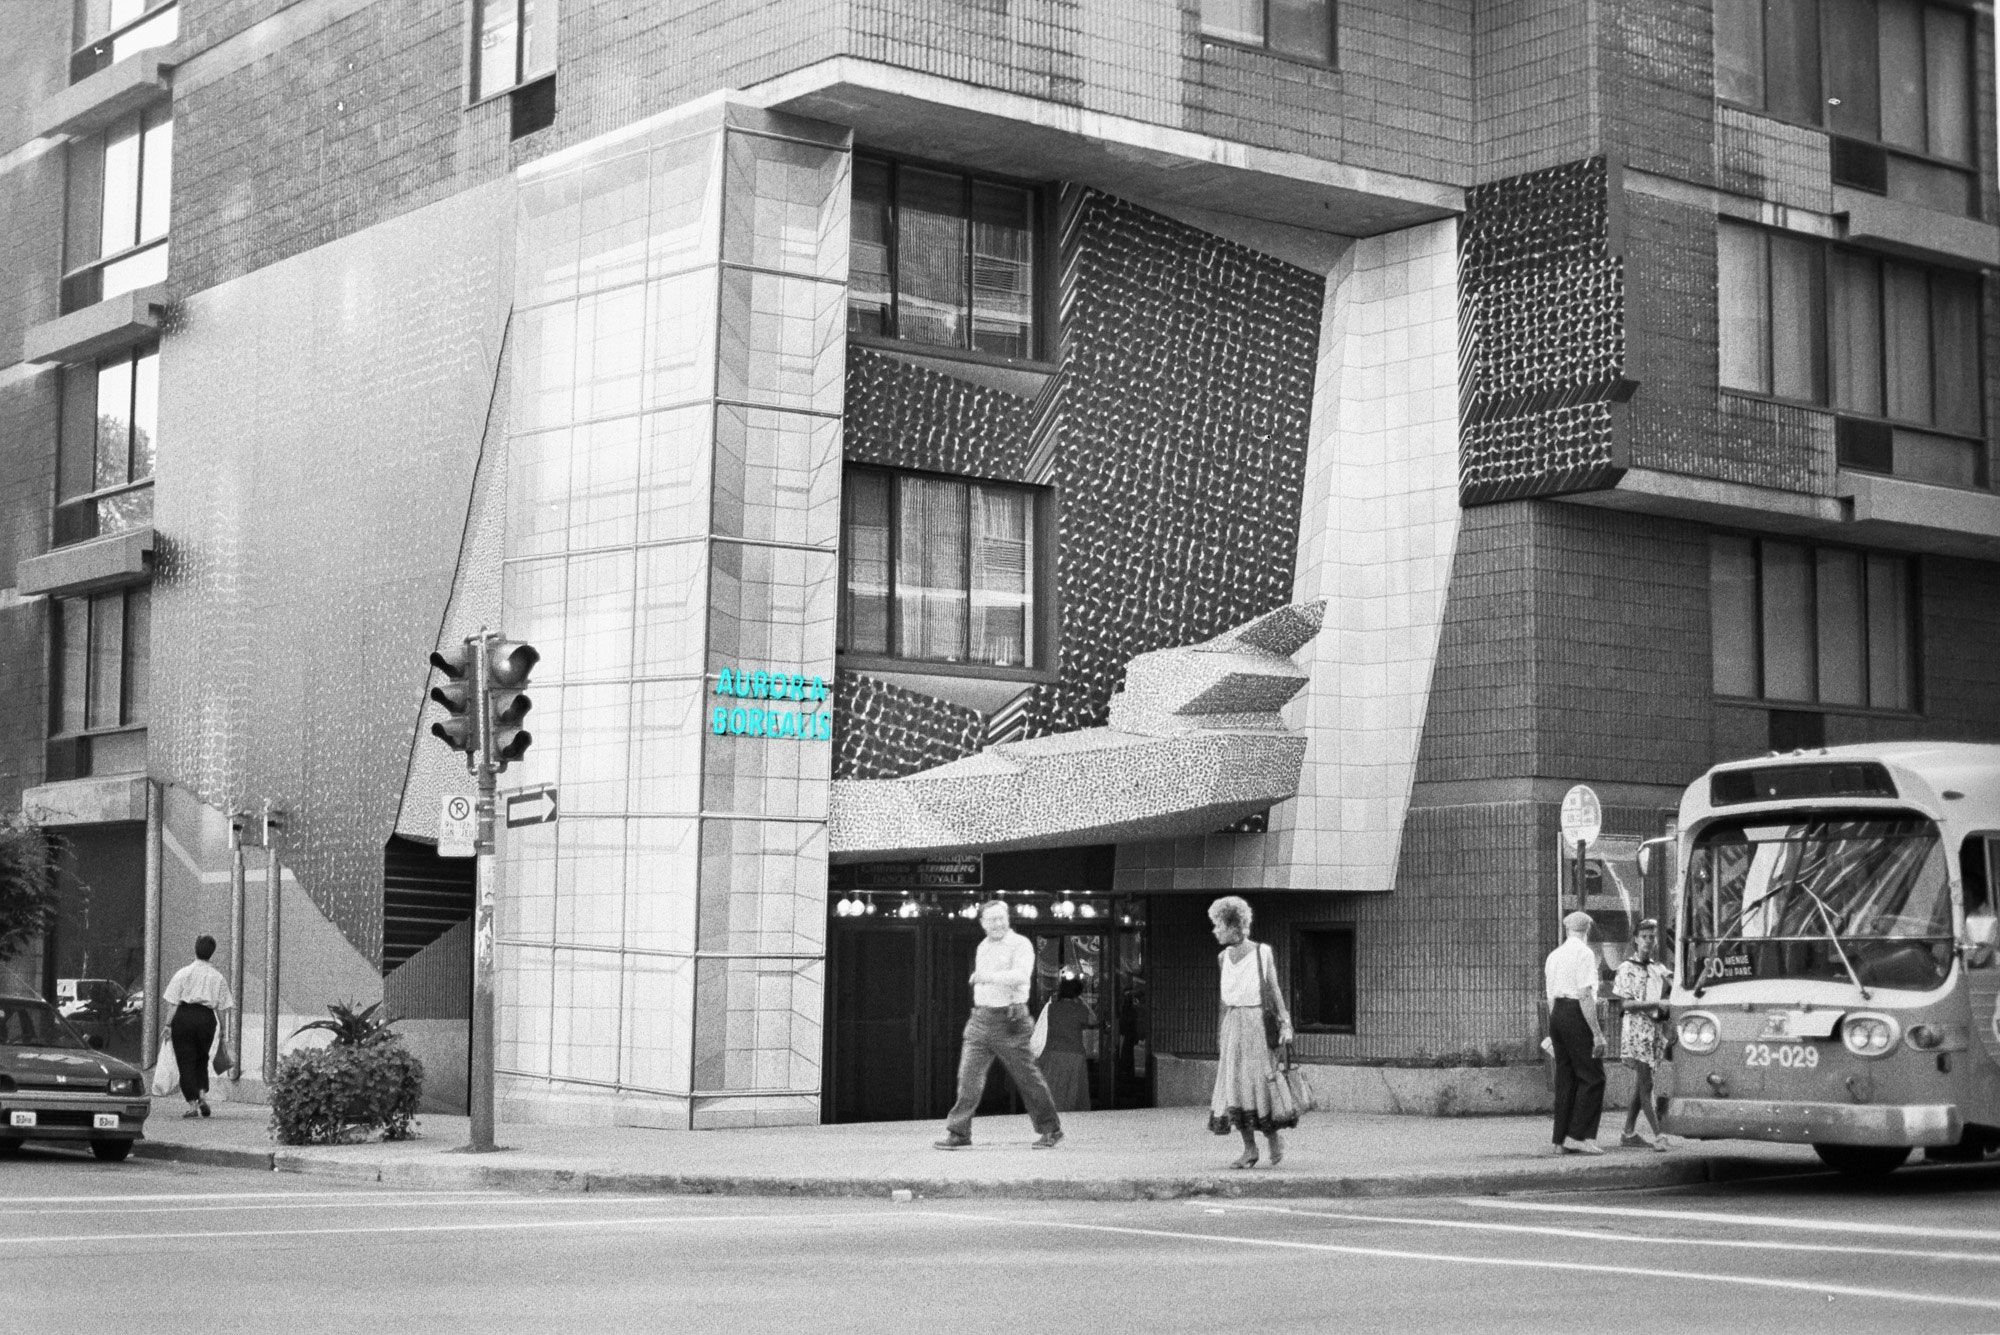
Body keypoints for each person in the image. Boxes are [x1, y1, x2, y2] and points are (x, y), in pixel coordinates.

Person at [935, 901, 1064, 1150]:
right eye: (991, 919)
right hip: (980, 1018)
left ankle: (1051, 1129)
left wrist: (987, 977)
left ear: (1008, 919)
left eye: (1001, 918)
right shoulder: (983, 946)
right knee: (968, 1077)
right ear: (982, 923)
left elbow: (1021, 975)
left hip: (1010, 1019)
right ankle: (959, 1132)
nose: (997, 923)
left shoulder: (1020, 944)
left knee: (1027, 1078)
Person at [1205, 896, 1297, 1168]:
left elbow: (1274, 988)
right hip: (1232, 1023)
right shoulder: (1222, 957)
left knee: (1259, 1083)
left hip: (1256, 1021)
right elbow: (1224, 999)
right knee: (1233, 1085)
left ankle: (1273, 1137)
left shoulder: (1261, 952)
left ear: (1235, 926)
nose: (1215, 931)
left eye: (1218, 925)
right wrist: (1221, 1034)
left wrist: (1285, 1022)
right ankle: (1249, 1149)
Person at [1545, 909, 1608, 1155]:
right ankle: (1581, 1135)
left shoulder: (1554, 955)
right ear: (1587, 930)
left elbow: (1550, 996)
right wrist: (1596, 1032)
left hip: (1557, 1014)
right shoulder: (1585, 953)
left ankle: (1559, 1139)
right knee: (1593, 1076)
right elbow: (1584, 995)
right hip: (1576, 1014)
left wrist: (1554, 1027)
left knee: (1565, 1078)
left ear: (1566, 929)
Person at [1613, 918, 1673, 1151]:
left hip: (1654, 1031)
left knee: (1642, 1082)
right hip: (1637, 1031)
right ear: (1636, 940)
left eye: (1652, 937)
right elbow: (1625, 1004)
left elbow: (1674, 987)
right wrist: (1656, 1002)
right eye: (1644, 937)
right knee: (1646, 1084)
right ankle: (1659, 1135)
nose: (1649, 941)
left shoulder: (1659, 969)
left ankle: (1628, 1132)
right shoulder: (1626, 968)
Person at [161, 935, 236, 1119]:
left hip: (184, 1017)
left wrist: (167, 1024)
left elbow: (173, 1003)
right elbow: (220, 1007)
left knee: (185, 1061)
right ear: (212, 952)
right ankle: (202, 1095)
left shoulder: (183, 973)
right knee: (201, 1058)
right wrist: (223, 1029)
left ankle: (192, 1104)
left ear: (195, 949)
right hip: (206, 1019)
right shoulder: (217, 977)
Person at [1036, 973, 1096, 1113]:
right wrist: (1081, 1000)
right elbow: (1093, 1019)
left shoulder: (1051, 1008)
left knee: (1054, 1090)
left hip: (1052, 1054)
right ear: (1077, 992)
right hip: (1074, 1055)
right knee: (1073, 1092)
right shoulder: (1079, 1009)